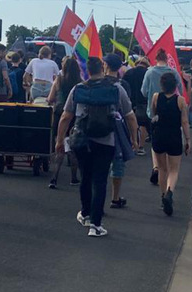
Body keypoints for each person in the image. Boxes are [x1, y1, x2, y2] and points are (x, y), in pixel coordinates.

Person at [55, 57, 133, 237]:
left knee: (86, 177)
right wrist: (134, 139)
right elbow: (129, 116)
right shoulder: (116, 89)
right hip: (107, 140)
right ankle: (96, 225)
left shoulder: (78, 89)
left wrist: (60, 140)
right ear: (103, 68)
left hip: (82, 140)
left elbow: (65, 117)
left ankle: (85, 213)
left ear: (87, 71)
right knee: (100, 180)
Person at [151, 72, 191, 216]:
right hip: (174, 136)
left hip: (159, 135)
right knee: (174, 170)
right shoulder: (180, 101)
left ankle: (163, 197)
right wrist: (188, 140)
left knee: (162, 169)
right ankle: (170, 192)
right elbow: (185, 122)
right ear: (175, 86)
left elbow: (154, 114)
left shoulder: (156, 97)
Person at [141, 49, 183, 185]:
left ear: (156, 59)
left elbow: (144, 91)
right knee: (170, 145)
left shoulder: (150, 72)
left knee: (156, 140)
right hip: (171, 111)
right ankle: (165, 172)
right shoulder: (173, 72)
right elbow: (181, 89)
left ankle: (156, 167)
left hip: (153, 112)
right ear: (166, 59)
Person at [104, 54, 140, 208]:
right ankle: (115, 197)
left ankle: (96, 199)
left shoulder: (91, 84)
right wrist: (134, 138)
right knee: (117, 164)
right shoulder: (120, 87)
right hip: (115, 130)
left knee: (98, 166)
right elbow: (130, 116)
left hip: (94, 130)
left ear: (105, 65)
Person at [47, 55, 83, 188]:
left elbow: (50, 98)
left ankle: (54, 178)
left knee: (60, 144)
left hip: (59, 114)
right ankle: (73, 178)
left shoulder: (59, 80)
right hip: (74, 116)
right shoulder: (80, 83)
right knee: (72, 146)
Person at [123, 56, 151, 155]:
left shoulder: (128, 72)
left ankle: (131, 143)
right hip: (143, 102)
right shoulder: (147, 73)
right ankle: (140, 147)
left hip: (129, 101)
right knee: (143, 125)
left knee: (130, 123)